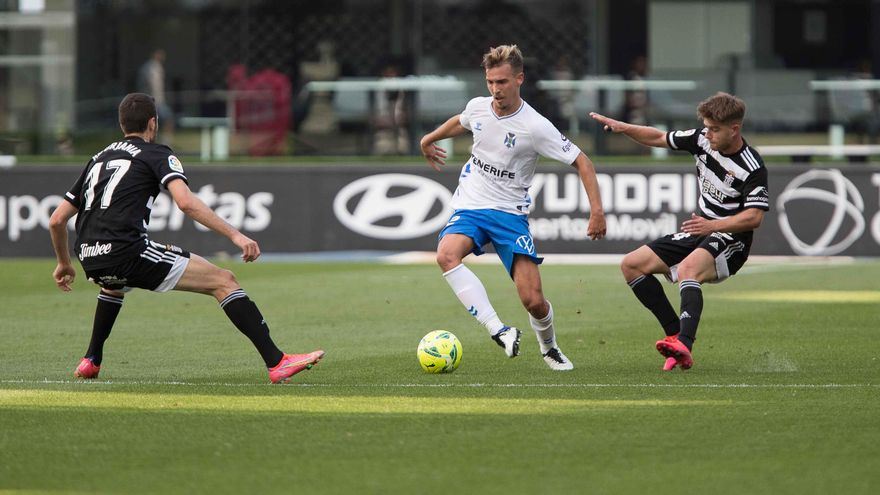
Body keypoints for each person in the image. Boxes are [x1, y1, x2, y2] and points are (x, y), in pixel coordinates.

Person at [48, 93, 323, 383]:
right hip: (126, 252)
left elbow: (56, 220)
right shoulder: (156, 154)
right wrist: (236, 235)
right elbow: (186, 202)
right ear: (153, 123)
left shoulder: (98, 159)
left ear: (121, 124)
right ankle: (277, 362)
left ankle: (91, 359)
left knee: (115, 285)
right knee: (224, 280)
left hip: (90, 258)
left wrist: (64, 264)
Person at [420, 45, 606, 371]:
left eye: (503, 82)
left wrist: (597, 212)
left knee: (533, 301)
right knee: (445, 255)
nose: (495, 90)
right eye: (491, 82)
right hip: (471, 204)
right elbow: (461, 121)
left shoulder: (535, 126)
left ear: (519, 79)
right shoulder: (479, 108)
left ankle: (549, 348)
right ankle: (500, 331)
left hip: (509, 214)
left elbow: (582, 161)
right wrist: (429, 138)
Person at [590, 92, 769, 371]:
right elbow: (657, 137)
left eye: (715, 129)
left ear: (735, 129)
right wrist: (624, 128)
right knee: (632, 265)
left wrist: (713, 225)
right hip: (702, 229)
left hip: (731, 238)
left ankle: (685, 343)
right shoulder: (701, 140)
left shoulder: (751, 167)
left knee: (688, 269)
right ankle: (674, 333)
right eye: (706, 127)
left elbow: (754, 217)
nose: (708, 134)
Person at [137, 49, 175, 144]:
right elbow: (153, 85)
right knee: (166, 120)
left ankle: (159, 142)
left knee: (158, 123)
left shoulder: (151, 67)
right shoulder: (152, 67)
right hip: (154, 101)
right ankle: (163, 143)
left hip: (155, 100)